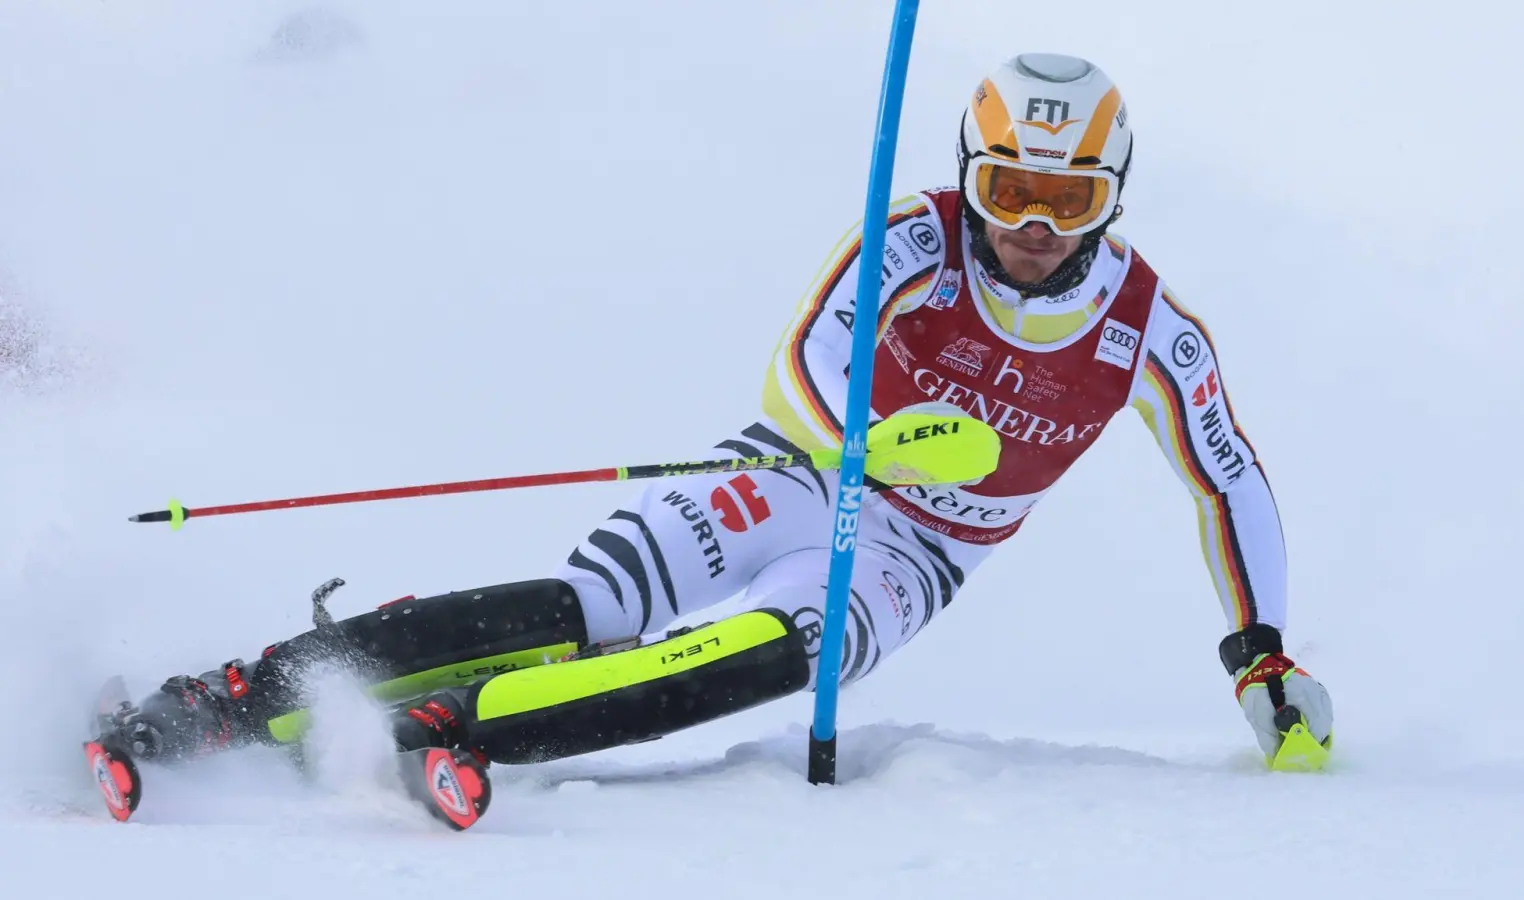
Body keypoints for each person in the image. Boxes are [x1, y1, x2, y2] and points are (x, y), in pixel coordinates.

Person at [105, 52, 1332, 779]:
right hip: (800, 468)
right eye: (1009, 188)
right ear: (971, 170)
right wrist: (851, 442)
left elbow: (1228, 483)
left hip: (922, 551)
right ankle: (234, 693)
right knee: (589, 606)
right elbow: (802, 359)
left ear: (1110, 199)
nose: (1030, 227)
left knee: (769, 655)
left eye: (1066, 201)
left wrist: (1259, 650)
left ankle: (457, 734)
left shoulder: (1147, 328)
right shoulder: (914, 234)